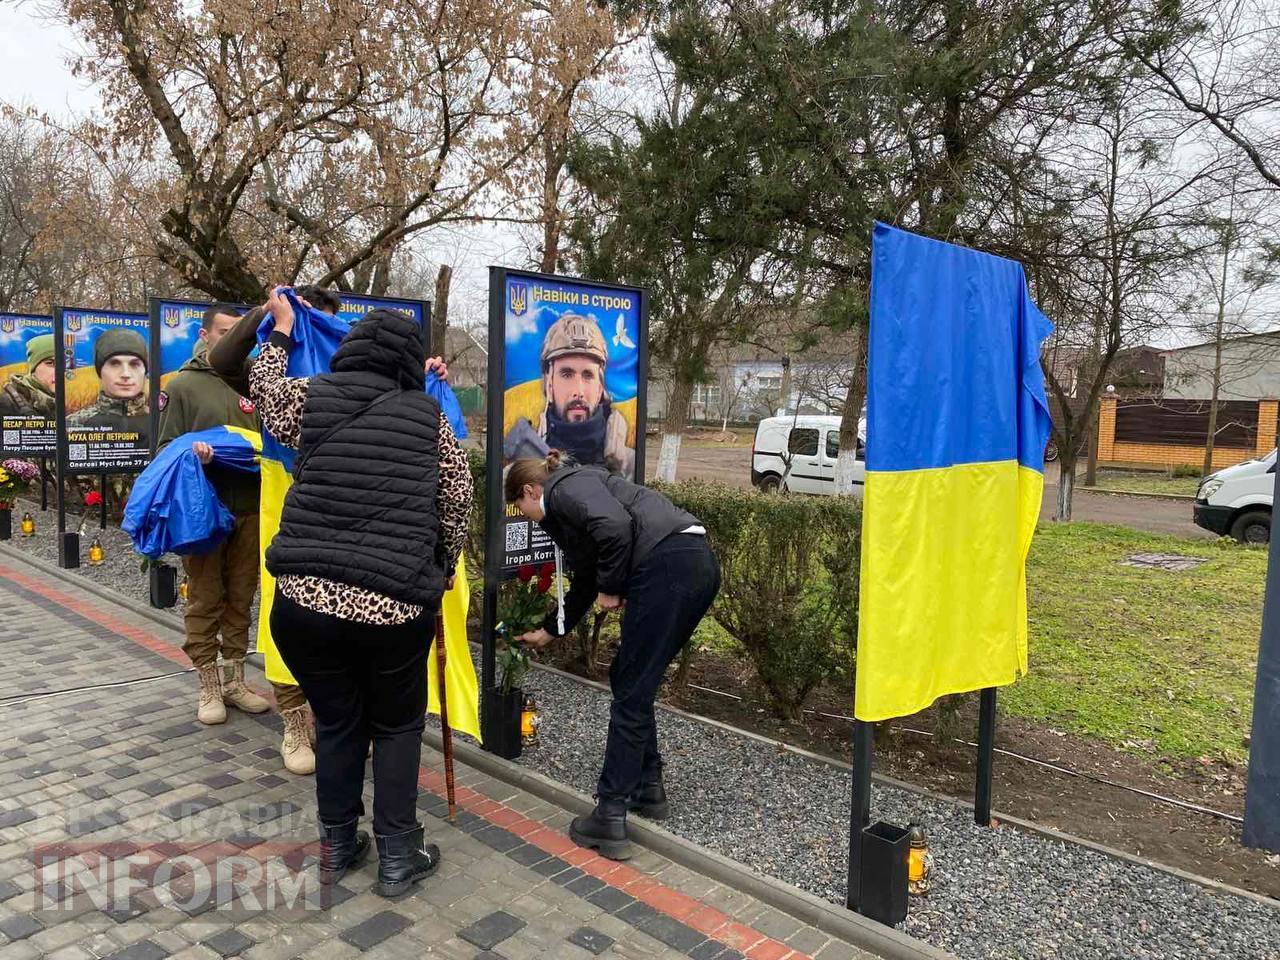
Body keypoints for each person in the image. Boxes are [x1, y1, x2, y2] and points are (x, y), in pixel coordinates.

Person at [251, 287, 472, 897]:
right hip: (393, 606)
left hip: (302, 605)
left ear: (350, 351)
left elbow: (265, 394)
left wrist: (279, 331)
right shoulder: (429, 421)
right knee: (397, 726)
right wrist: (443, 564)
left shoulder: (314, 397)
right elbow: (455, 500)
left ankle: (337, 847)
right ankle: (399, 857)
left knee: (339, 721)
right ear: (409, 363)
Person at [506, 452, 719, 860]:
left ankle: (611, 813)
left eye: (522, 508)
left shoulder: (565, 487)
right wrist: (552, 631)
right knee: (630, 677)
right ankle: (648, 786)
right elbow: (588, 577)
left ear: (532, 490)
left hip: (668, 565)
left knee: (632, 693)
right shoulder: (577, 498)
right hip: (693, 563)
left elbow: (617, 529)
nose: (527, 518)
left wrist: (612, 587)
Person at [206, 284, 342, 772]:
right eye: (307, 324)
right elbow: (223, 360)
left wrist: (431, 372)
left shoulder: (352, 375)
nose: (313, 338)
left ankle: (333, 715)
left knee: (339, 615)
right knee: (285, 607)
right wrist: (271, 315)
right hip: (283, 499)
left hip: (341, 511)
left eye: (322, 328)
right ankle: (293, 718)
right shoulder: (270, 370)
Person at [156, 306, 285, 745]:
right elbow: (165, 449)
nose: (236, 341)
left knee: (242, 593)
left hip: (251, 506)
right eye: (227, 333)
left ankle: (234, 679)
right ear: (205, 334)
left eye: (241, 335)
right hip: (204, 511)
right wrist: (198, 452)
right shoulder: (184, 386)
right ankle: (207, 683)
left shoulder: (253, 380)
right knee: (206, 596)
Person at [504, 313, 635, 478]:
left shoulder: (630, 466)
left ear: (600, 387)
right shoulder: (522, 466)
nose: (578, 391)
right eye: (566, 374)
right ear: (549, 384)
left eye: (588, 375)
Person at [67, 328, 150, 441]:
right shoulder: (73, 424)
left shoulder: (163, 422)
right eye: (115, 364)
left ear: (145, 371)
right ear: (99, 371)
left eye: (134, 364)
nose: (125, 374)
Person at [0, 334, 56, 417]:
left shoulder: (70, 403)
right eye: (50, 363)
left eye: (64, 363)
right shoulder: (6, 404)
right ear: (33, 368)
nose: (59, 371)